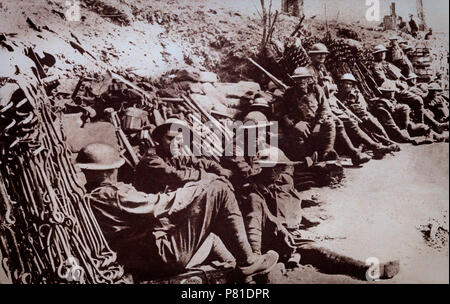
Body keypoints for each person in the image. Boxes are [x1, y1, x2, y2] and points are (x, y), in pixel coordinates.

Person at [76, 142, 279, 282]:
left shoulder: (91, 195)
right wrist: (202, 185)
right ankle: (248, 261)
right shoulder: (112, 194)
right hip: (159, 256)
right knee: (220, 189)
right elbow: (161, 203)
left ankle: (242, 273)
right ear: (109, 170)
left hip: (142, 254)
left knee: (211, 235)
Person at [305, 43, 378, 163]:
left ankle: (371, 147)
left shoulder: (322, 68)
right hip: (317, 106)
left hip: (328, 103)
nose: (322, 56)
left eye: (324, 54)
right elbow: (313, 93)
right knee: (340, 122)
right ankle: (359, 152)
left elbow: (330, 88)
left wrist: (330, 87)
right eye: (318, 54)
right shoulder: (309, 71)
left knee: (350, 120)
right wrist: (329, 88)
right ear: (312, 56)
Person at [135, 118, 232, 194]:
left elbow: (202, 162)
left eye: (179, 139)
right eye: (170, 138)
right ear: (160, 138)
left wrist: (220, 170)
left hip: (168, 197)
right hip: (150, 202)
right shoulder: (151, 158)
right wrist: (207, 175)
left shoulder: (173, 155)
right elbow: (175, 176)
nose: (175, 143)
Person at [279, 66, 339, 162]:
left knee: (330, 123)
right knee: (297, 130)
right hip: (300, 121)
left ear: (308, 79)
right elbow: (283, 110)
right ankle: (304, 158)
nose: (301, 81)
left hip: (316, 120)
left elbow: (324, 108)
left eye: (303, 78)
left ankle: (327, 154)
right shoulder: (290, 92)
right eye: (298, 79)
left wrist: (318, 124)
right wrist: (287, 119)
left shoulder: (316, 89)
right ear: (294, 80)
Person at [336, 73, 400, 151]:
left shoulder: (357, 94)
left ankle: (387, 140)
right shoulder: (338, 95)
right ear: (342, 84)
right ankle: (374, 145)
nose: (348, 86)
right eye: (346, 83)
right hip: (350, 117)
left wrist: (363, 116)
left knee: (373, 121)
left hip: (361, 115)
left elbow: (362, 107)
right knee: (358, 128)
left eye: (350, 84)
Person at [371, 82, 444, 144]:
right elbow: (391, 125)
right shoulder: (381, 106)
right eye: (390, 92)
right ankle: (428, 138)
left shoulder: (391, 101)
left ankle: (435, 136)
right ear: (385, 92)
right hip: (396, 131)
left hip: (403, 125)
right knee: (414, 129)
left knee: (423, 127)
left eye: (392, 91)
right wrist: (405, 136)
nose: (392, 94)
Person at [371, 44, 426, 124]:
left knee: (420, 93)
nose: (383, 54)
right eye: (380, 53)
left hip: (400, 86)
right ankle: (421, 123)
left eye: (384, 52)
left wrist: (406, 81)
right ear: (375, 55)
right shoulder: (376, 66)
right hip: (391, 89)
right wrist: (399, 84)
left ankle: (429, 123)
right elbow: (383, 80)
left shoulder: (386, 63)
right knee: (418, 99)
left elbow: (399, 75)